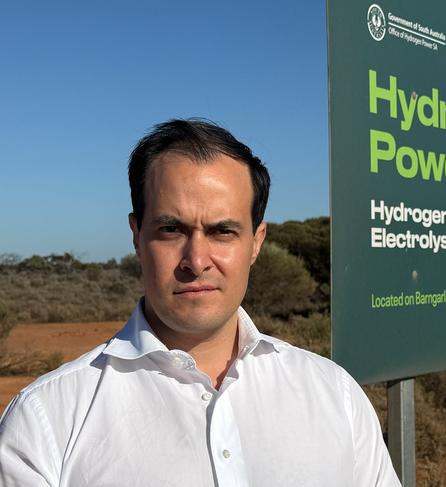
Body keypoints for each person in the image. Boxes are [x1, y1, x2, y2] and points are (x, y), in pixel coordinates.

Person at [0, 119, 401, 486]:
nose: (196, 260)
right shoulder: (45, 420)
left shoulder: (337, 396)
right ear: (137, 236)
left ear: (256, 242)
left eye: (223, 231)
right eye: (171, 229)